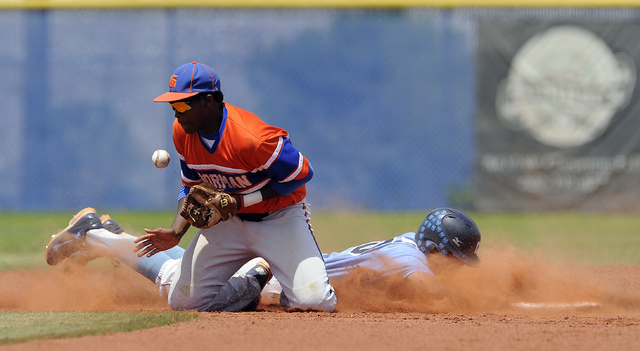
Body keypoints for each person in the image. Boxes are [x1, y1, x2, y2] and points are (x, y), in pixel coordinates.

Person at [46, 61, 337, 312]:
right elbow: (190, 188)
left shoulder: (253, 138)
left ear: (208, 101)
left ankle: (103, 237)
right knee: (183, 301)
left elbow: (301, 175)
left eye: (182, 104)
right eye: (173, 104)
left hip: (279, 220)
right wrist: (177, 231)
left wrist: (242, 201)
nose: (176, 111)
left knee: (315, 301)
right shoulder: (183, 133)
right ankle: (102, 237)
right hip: (229, 223)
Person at [45, 207, 479, 309]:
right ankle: (99, 237)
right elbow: (428, 290)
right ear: (436, 251)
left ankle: (106, 236)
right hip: (275, 277)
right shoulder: (412, 260)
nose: (460, 270)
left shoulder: (411, 242)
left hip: (289, 270)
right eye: (456, 260)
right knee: (185, 287)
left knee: (187, 271)